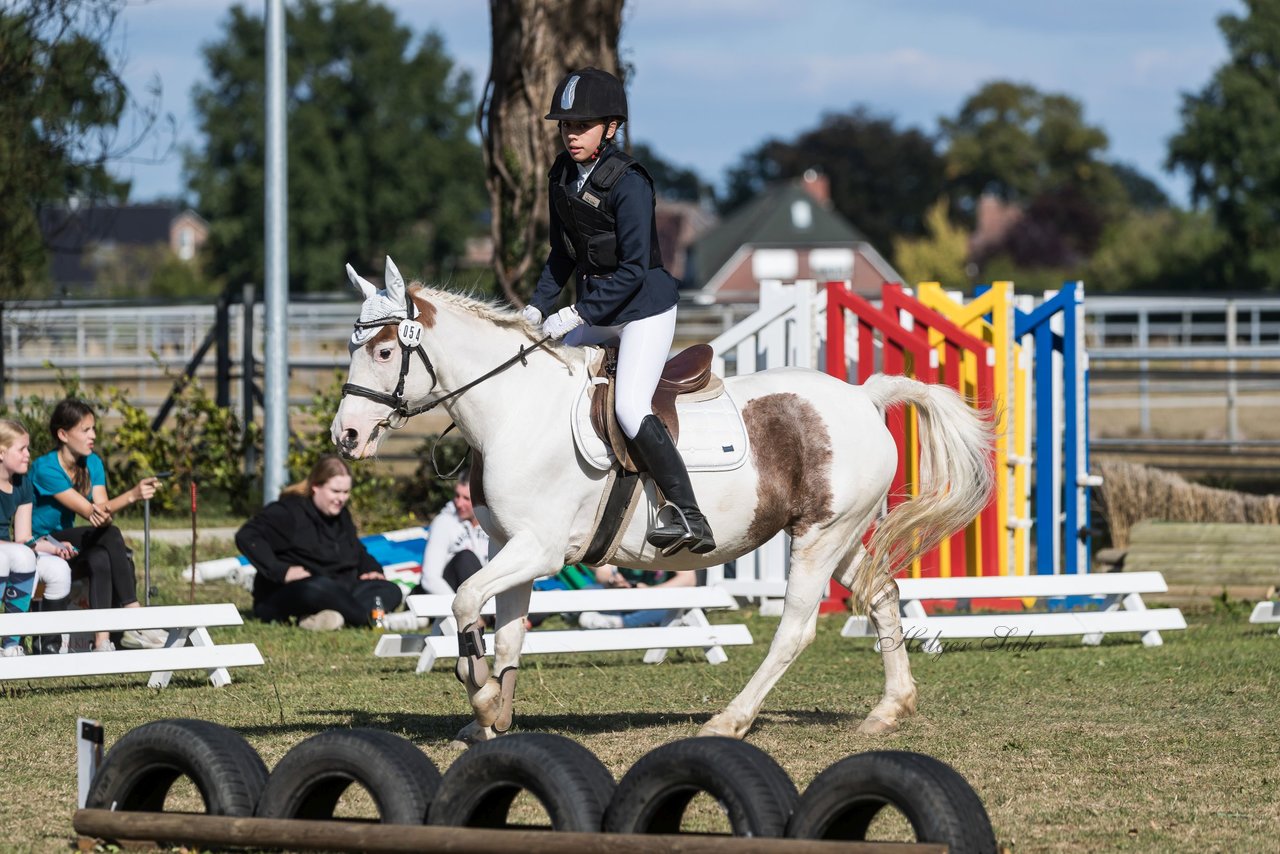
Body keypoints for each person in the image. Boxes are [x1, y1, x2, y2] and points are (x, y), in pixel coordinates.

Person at [522, 66, 715, 556]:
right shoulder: (561, 176)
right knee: (547, 374)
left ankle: (689, 513)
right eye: (565, 126)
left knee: (630, 405)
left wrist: (577, 313)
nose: (571, 135)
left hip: (645, 307)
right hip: (598, 307)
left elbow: (633, 270)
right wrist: (535, 307)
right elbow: (562, 255)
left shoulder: (630, 183)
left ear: (610, 128)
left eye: (581, 126)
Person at [30, 400, 164, 652]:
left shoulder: (93, 463)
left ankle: (103, 641)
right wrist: (132, 495)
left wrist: (104, 513)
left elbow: (103, 512)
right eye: (85, 430)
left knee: (102, 556)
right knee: (111, 535)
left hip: (69, 544)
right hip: (43, 543)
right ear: (63, 434)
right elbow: (88, 509)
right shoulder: (45, 468)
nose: (93, 436)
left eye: (93, 429)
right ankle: (135, 615)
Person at [236, 455, 410, 631]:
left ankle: (331, 617)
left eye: (346, 492)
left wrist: (371, 569)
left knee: (390, 589)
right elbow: (247, 536)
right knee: (318, 588)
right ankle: (366, 618)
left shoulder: (342, 515)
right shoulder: (288, 511)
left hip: (340, 588)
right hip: (295, 591)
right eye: (335, 491)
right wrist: (282, 571)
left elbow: (356, 550)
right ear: (315, 487)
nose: (341, 499)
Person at [0, 420, 74, 656]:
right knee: (13, 558)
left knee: (59, 569)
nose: (28, 455)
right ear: (1, 453)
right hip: (6, 554)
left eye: (28, 448)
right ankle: (9, 639)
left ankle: (45, 648)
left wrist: (54, 547)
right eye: (21, 449)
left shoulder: (23, 483)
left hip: (11, 550)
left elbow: (24, 538)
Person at [417, 468, 489, 595]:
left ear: (481, 499)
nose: (459, 503)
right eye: (457, 496)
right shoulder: (444, 522)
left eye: (466, 498)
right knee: (465, 558)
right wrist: (458, 608)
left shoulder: (493, 526)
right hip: (451, 597)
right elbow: (430, 578)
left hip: (485, 599)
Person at [575, 564, 698, 630]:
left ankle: (620, 622)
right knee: (588, 591)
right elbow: (603, 572)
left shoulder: (670, 540)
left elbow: (689, 579)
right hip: (624, 593)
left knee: (673, 605)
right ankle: (622, 620)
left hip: (660, 597)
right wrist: (613, 580)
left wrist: (649, 592)